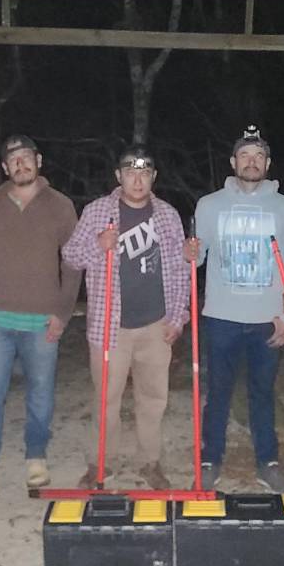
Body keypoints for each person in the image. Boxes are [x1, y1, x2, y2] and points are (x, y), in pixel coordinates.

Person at [62, 144, 189, 490]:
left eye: (145, 173)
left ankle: (149, 462)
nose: (138, 179)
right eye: (131, 173)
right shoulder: (97, 211)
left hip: (155, 325)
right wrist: (98, 245)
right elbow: (71, 256)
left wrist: (178, 318)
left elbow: (180, 270)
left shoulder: (168, 215)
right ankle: (100, 463)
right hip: (109, 327)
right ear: (119, 176)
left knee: (153, 399)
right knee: (106, 400)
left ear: (153, 177)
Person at [184, 125, 284, 492]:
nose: (251, 162)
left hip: (266, 319)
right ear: (233, 161)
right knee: (217, 394)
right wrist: (190, 252)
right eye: (245, 156)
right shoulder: (209, 205)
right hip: (221, 316)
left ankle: (267, 462)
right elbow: (198, 255)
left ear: (267, 163)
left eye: (259, 157)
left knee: (262, 394)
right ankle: (209, 459)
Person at [0, 135, 81, 498]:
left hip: (41, 323)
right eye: (13, 159)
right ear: (5, 167)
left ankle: (36, 457)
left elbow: (74, 263)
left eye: (26, 157)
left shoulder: (61, 206)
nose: (21, 164)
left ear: (39, 160)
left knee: (41, 395)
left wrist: (63, 312)